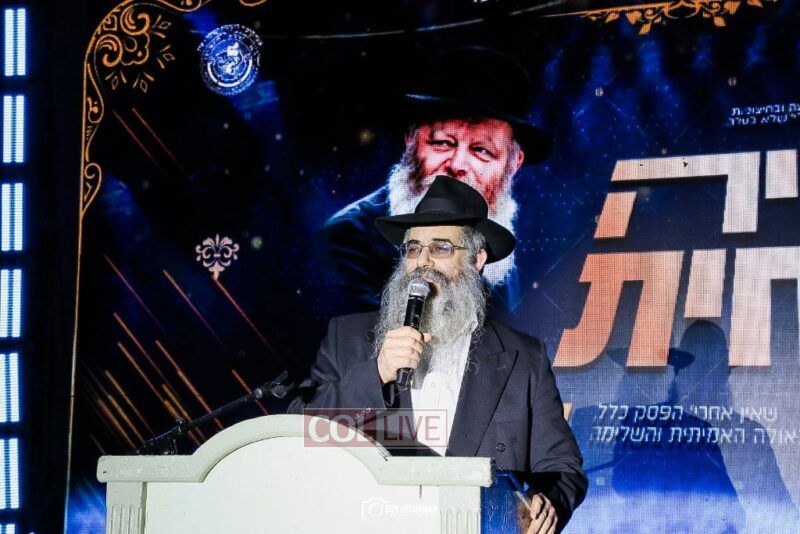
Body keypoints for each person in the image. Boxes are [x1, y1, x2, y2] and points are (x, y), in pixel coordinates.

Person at [292, 177, 586, 533]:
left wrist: (547, 500)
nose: (423, 262)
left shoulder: (522, 357)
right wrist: (376, 374)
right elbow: (298, 431)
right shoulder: (349, 339)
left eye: (441, 248)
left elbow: (561, 466)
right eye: (413, 249)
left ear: (476, 259)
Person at [321, 47, 552, 311]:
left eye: (481, 150)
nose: (457, 165)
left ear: (513, 164)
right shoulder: (347, 239)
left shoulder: (499, 255)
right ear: (411, 141)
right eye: (442, 143)